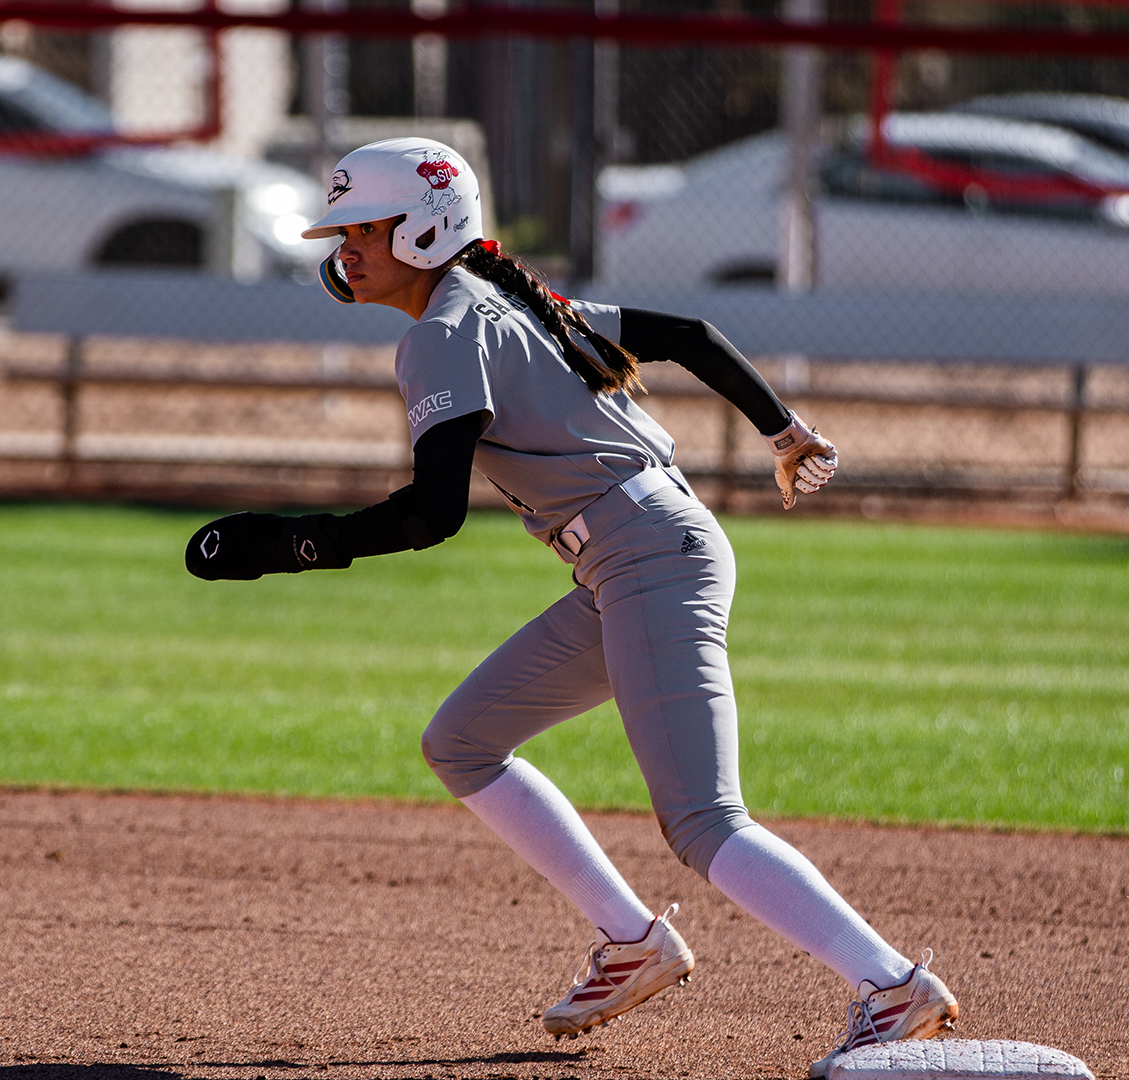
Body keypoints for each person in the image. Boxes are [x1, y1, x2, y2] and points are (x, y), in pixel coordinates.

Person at [184, 137, 957, 1077]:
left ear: (424, 231)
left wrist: (286, 545)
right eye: (341, 233)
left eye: (362, 230)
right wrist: (784, 430)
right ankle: (633, 943)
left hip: (647, 557)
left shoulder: (445, 329)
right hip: (633, 557)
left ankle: (891, 985)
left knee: (705, 822)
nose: (344, 249)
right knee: (461, 742)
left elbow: (431, 515)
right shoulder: (505, 300)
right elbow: (690, 336)